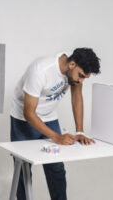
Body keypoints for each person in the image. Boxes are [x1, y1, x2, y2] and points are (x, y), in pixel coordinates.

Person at [10, 48, 101, 200]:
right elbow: (29, 113)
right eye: (81, 76)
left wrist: (80, 132)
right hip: (24, 118)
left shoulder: (74, 73)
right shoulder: (40, 70)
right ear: (72, 64)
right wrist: (57, 137)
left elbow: (77, 98)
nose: (81, 81)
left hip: (49, 117)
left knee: (56, 168)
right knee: (23, 171)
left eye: (85, 78)